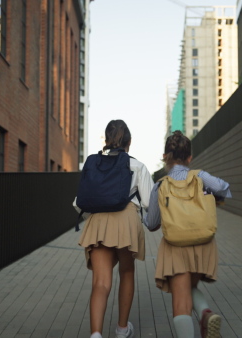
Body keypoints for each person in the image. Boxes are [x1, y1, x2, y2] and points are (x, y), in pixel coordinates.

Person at [144, 131, 232, 338]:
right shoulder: (201, 177)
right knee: (189, 287)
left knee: (180, 300)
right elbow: (225, 189)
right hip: (203, 244)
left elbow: (152, 224)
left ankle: (203, 315)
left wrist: (142, 214)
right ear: (189, 158)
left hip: (175, 247)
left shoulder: (160, 185)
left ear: (165, 157)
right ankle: (205, 313)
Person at [74, 120, 154, 338]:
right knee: (127, 272)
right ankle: (121, 329)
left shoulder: (94, 163)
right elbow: (148, 202)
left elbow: (78, 202)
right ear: (129, 142)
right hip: (126, 220)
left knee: (101, 282)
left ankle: (96, 334)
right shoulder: (137, 166)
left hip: (98, 222)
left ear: (106, 140)